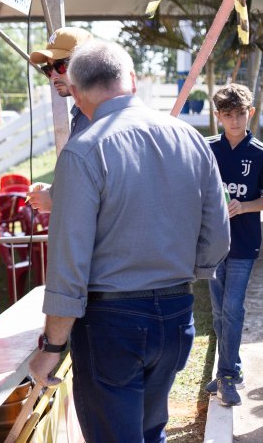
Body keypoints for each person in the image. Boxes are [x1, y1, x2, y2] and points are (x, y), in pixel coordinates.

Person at [27, 40, 230, 442]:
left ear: (78, 92)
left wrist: (52, 345)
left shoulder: (84, 151)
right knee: (149, 431)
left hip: (112, 321)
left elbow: (69, 261)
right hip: (176, 310)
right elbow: (218, 234)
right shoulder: (189, 138)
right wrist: (187, 272)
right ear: (132, 80)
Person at [204, 83, 263, 406]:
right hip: (213, 245)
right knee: (217, 310)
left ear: (249, 113)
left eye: (240, 114)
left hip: (244, 243)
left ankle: (227, 374)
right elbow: (195, 190)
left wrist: (245, 206)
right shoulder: (207, 149)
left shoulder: (259, 153)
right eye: (228, 115)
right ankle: (231, 369)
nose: (235, 121)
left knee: (232, 308)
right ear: (218, 117)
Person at [26, 26, 94, 213]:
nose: (53, 75)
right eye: (48, 68)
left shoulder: (99, 117)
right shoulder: (82, 115)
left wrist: (56, 201)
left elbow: (110, 195)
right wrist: (53, 192)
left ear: (87, 64)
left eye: (61, 65)